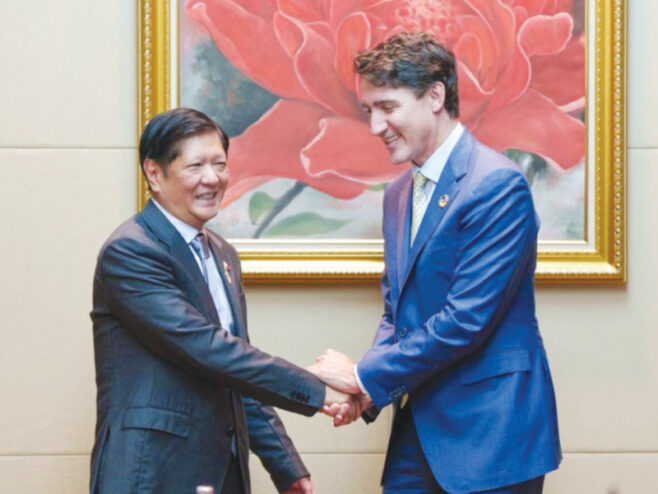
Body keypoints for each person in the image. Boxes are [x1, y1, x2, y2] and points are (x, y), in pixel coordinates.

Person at [309, 32, 561, 493]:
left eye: (387, 106)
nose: (375, 126)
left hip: (491, 435)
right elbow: (396, 311)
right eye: (369, 110)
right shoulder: (399, 194)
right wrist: (366, 389)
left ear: (435, 96)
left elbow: (467, 319)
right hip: (418, 430)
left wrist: (362, 376)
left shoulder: (496, 185)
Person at [89, 108, 353, 494]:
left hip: (221, 472)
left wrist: (287, 468)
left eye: (220, 164)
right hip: (152, 474)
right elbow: (208, 350)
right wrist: (320, 390)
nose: (212, 178)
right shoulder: (131, 251)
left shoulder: (223, 254)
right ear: (155, 172)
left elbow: (236, 368)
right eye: (195, 166)